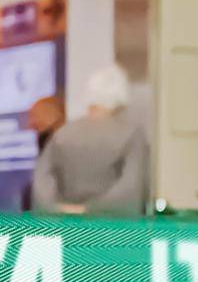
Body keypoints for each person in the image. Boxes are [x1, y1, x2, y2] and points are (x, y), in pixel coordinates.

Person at [31, 65, 148, 216]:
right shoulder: (131, 134)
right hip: (111, 229)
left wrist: (56, 208)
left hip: (68, 226)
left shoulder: (62, 134)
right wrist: (92, 209)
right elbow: (132, 186)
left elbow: (41, 181)